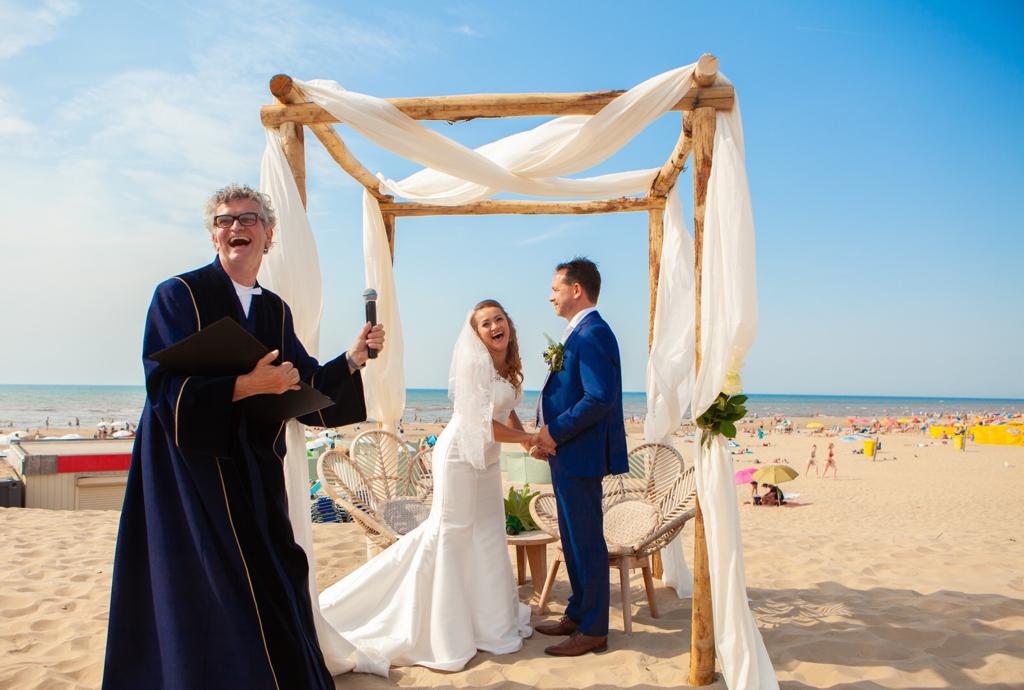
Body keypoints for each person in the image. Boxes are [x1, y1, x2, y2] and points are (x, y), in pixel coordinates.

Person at [103, 185, 385, 690]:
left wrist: (352, 359)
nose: (237, 228)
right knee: (207, 586)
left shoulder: (275, 311)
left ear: (269, 235)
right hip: (190, 470)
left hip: (253, 469)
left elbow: (302, 382)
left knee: (277, 573)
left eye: (249, 219)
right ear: (213, 233)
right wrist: (248, 385)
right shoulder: (180, 295)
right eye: (226, 219)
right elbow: (164, 388)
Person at [318, 300, 534, 675]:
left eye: (499, 319)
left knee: (487, 534)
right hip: (459, 458)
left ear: (509, 326)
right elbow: (482, 422)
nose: (495, 326)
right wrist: (527, 439)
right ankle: (443, 631)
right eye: (486, 323)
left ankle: (487, 624)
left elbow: (505, 409)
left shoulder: (508, 367)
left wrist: (524, 436)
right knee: (450, 533)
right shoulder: (474, 366)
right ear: (477, 335)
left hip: (487, 460)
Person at [530, 257, 628, 657]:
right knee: (571, 537)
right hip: (568, 454)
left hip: (580, 454)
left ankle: (594, 629)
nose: (550, 295)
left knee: (586, 541)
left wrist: (554, 430)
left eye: (556, 288)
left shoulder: (592, 334)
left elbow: (599, 397)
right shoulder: (581, 333)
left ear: (576, 290)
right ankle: (577, 613)